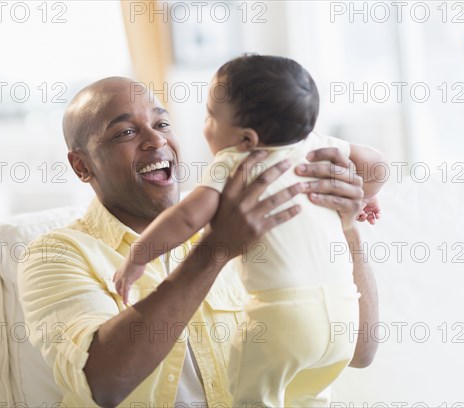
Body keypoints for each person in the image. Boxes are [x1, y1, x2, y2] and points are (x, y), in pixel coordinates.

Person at [17, 76, 379, 408]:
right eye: (126, 132)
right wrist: (216, 249)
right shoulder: (55, 254)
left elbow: (361, 352)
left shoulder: (257, 210)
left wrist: (345, 226)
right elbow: (105, 383)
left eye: (161, 124)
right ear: (82, 166)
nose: (156, 140)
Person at [112, 55, 385, 407]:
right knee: (310, 396)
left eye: (210, 116)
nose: (204, 126)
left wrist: (138, 256)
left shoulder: (235, 162)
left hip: (283, 315)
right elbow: (376, 162)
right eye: (126, 131)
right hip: (342, 312)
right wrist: (369, 195)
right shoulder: (316, 145)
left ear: (246, 138)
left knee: (252, 393)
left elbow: (184, 219)